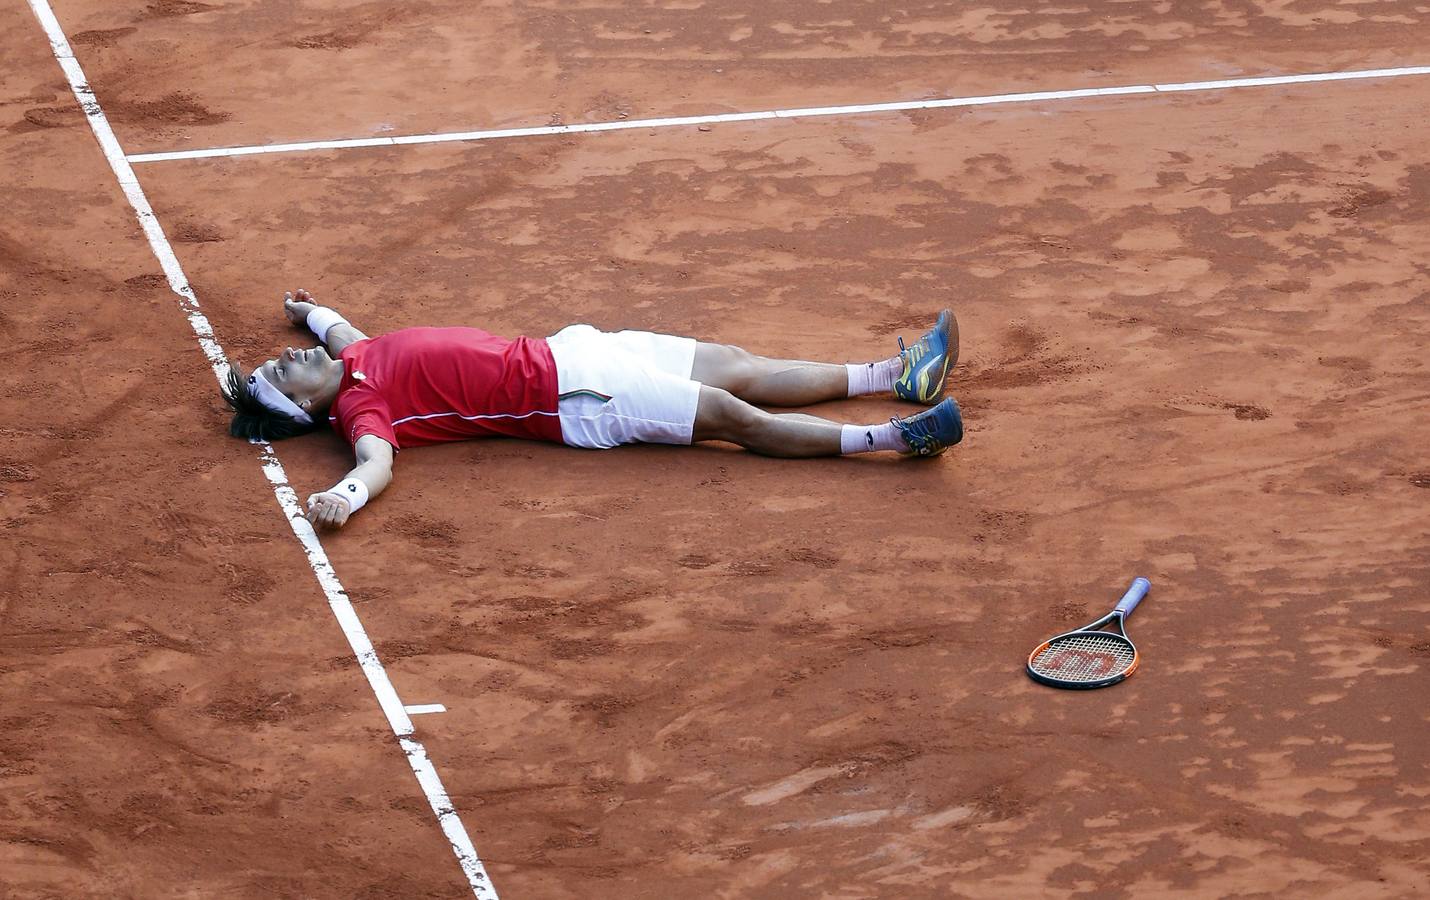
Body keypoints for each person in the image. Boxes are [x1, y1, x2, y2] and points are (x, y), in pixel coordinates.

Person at [221, 290, 963, 529]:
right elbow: (377, 462)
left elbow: (338, 328)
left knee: (739, 365)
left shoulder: (353, 356)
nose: (283, 358)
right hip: (578, 399)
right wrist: (345, 496)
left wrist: (307, 311)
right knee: (734, 416)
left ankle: (899, 375)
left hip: (577, 349)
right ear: (302, 406)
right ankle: (896, 437)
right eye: (277, 373)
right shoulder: (358, 406)